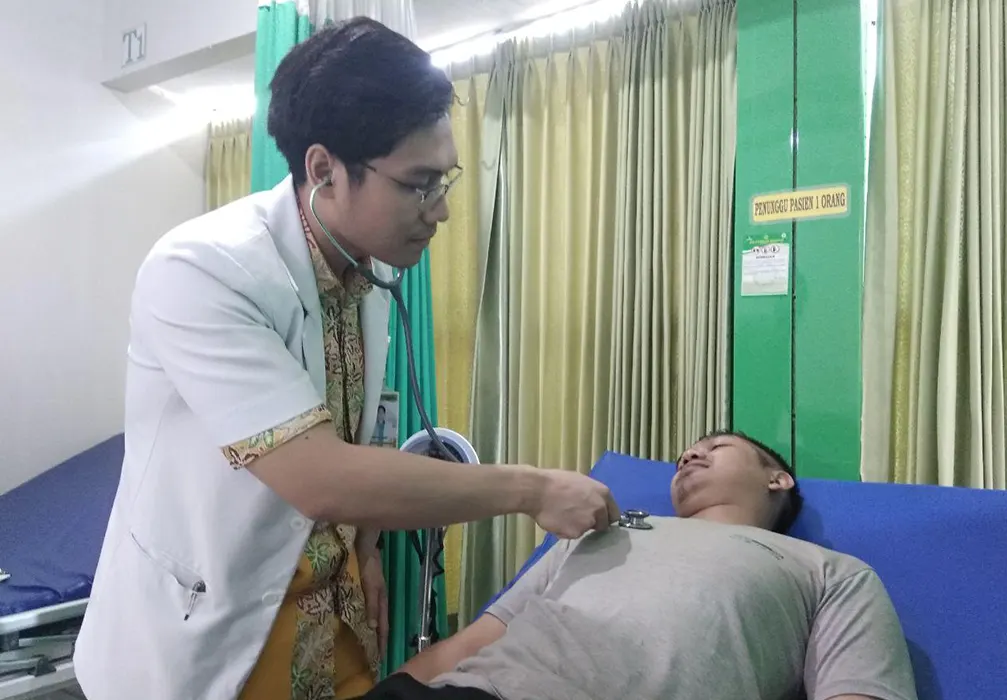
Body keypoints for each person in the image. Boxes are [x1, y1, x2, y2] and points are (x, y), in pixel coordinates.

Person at [73, 18, 618, 700]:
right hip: (209, 629)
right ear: (324, 170)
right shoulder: (202, 269)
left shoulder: (368, 270)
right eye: (419, 184)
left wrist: (364, 551)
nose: (441, 211)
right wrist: (532, 491)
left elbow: (359, 429)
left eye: (444, 179)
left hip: (332, 618)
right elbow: (319, 476)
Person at [361, 431, 919, 700]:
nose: (690, 454)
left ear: (778, 479)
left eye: (716, 447)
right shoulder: (598, 530)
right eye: (687, 452)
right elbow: (471, 642)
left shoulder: (829, 571)